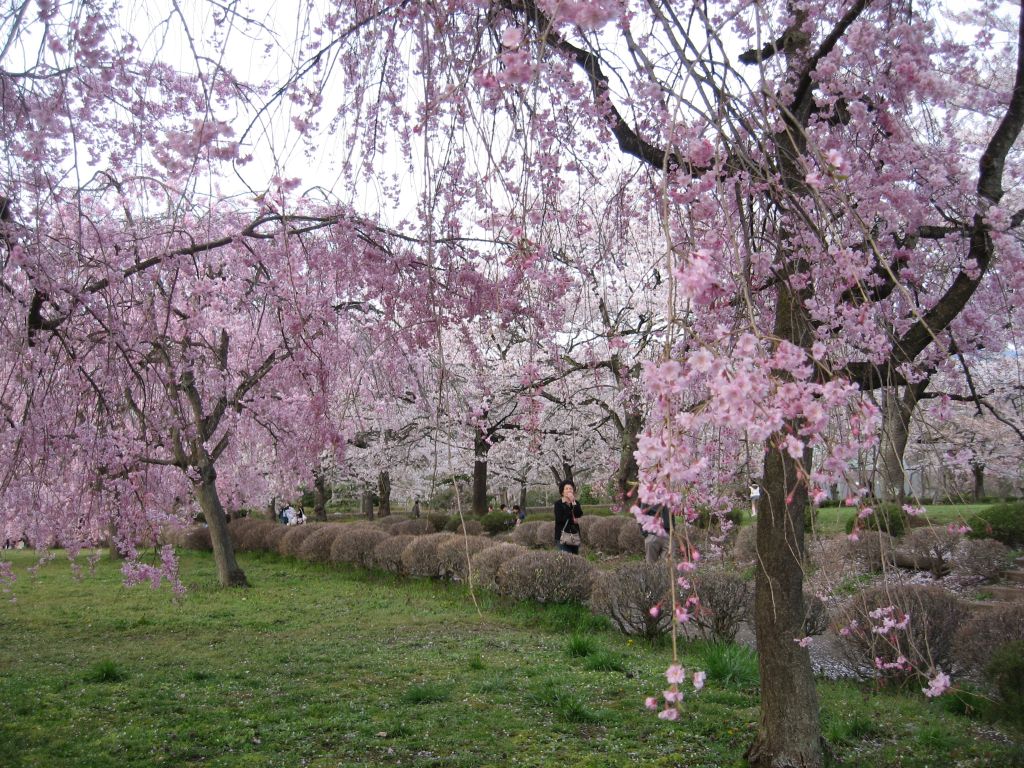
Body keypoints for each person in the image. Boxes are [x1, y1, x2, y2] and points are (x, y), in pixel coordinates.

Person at [553, 480, 583, 554]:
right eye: (566, 489)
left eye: (571, 488)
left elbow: (579, 514)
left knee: (575, 558)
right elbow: (560, 519)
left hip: (574, 535)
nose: (569, 490)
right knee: (566, 558)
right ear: (562, 492)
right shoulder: (558, 504)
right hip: (562, 536)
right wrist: (572, 517)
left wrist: (573, 502)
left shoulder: (576, 502)